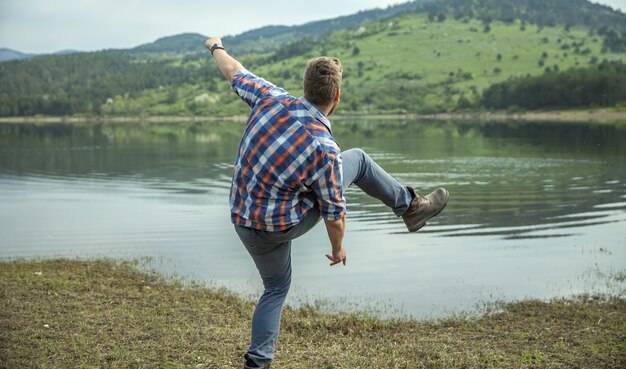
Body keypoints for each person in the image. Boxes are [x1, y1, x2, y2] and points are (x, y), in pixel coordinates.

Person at [205, 36, 449, 369]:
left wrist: (216, 46)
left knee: (275, 288)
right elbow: (334, 216)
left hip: (243, 219)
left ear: (304, 87)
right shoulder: (324, 148)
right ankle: (411, 208)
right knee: (359, 160)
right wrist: (338, 250)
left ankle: (256, 364)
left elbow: (233, 70)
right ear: (337, 97)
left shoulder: (269, 96)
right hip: (281, 225)